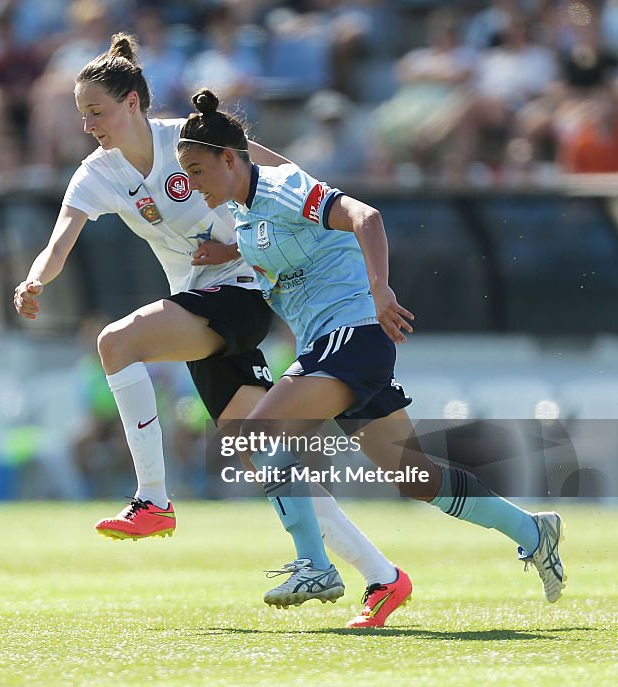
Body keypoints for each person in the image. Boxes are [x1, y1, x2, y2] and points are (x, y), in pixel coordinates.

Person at [14, 33, 411, 628]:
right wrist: (34, 281)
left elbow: (275, 171)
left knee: (116, 342)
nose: (89, 124)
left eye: (96, 111)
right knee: (261, 453)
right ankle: (383, 577)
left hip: (246, 290)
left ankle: (153, 498)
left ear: (132, 103)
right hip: (198, 302)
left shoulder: (189, 139)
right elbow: (59, 239)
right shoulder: (96, 174)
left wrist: (297, 224)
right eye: (82, 115)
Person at [175, 88, 566, 618]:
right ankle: (533, 530)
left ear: (229, 159)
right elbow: (281, 246)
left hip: (353, 337)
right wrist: (227, 250)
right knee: (417, 478)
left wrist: (380, 289)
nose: (192, 186)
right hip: (338, 347)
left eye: (197, 171)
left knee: (255, 436)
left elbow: (367, 217)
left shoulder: (285, 188)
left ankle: (315, 564)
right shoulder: (246, 215)